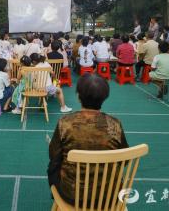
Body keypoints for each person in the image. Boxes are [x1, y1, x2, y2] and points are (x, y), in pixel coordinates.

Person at [48, 74, 128, 205]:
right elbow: (124, 159)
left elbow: (53, 155)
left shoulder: (65, 123)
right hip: (109, 196)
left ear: (79, 97)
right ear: (104, 98)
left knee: (53, 165)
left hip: (73, 195)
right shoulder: (115, 124)